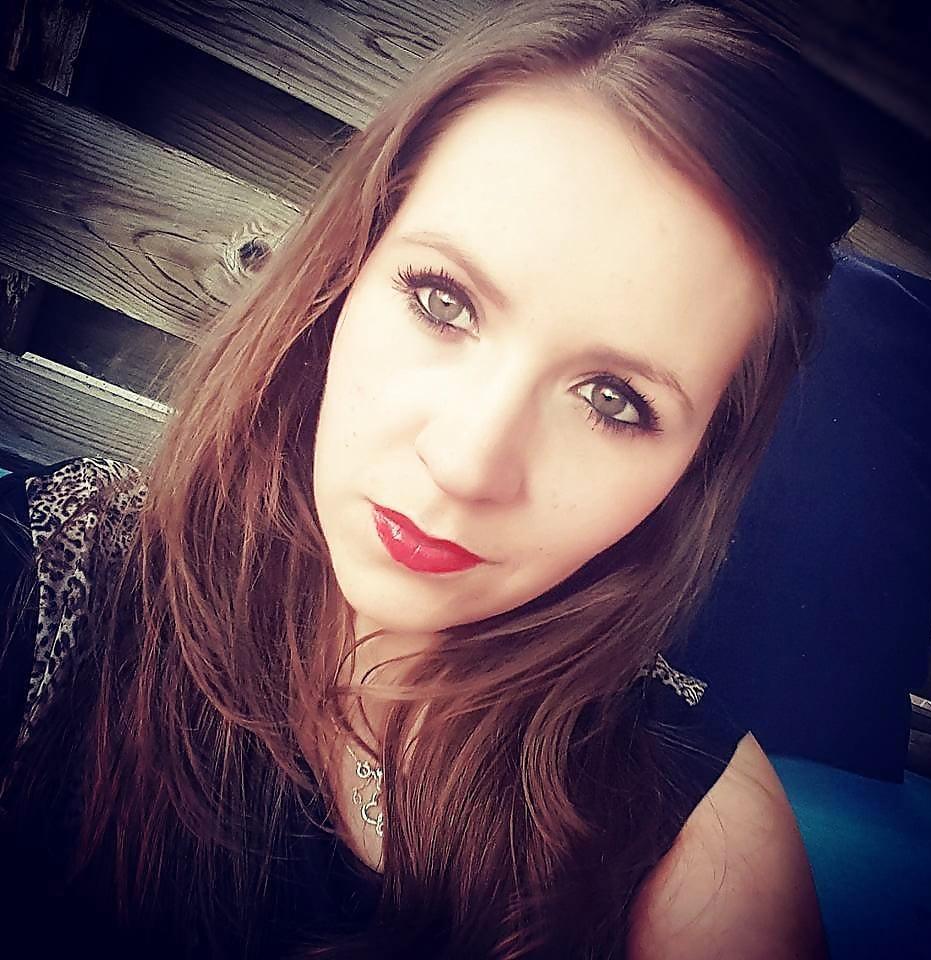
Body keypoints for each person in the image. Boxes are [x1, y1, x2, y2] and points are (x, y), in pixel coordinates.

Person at [0, 1, 858, 957]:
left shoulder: (695, 837)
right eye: (443, 301)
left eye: (613, 400)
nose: (466, 463)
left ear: (696, 465)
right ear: (345, 275)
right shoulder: (51, 584)